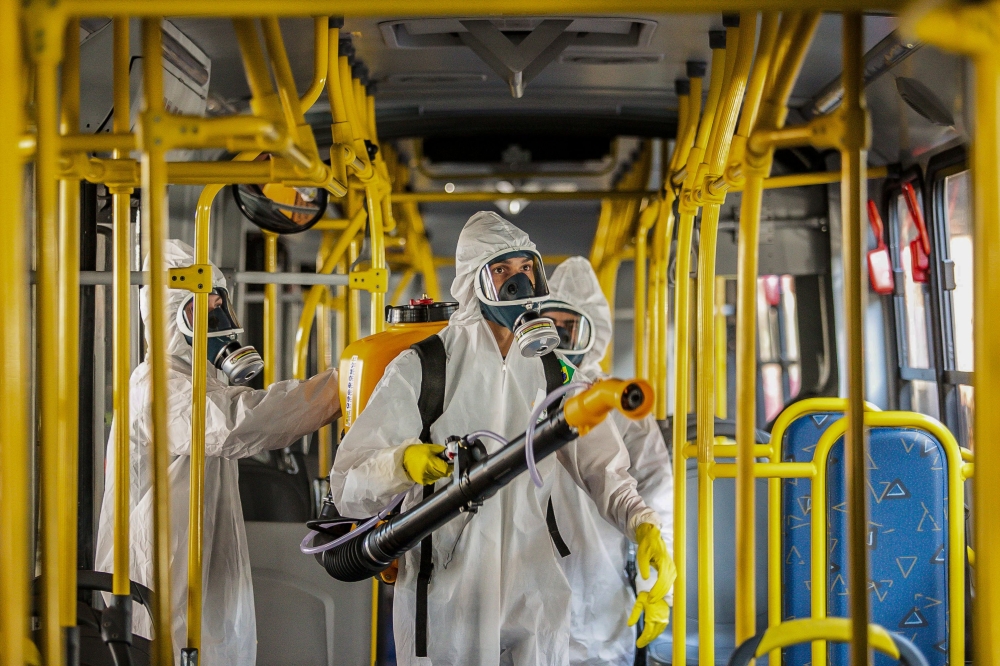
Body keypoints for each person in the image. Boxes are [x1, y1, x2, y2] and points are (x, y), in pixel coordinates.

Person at [330, 211, 674, 665]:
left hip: (535, 585)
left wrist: (643, 523)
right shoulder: (426, 366)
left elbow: (603, 469)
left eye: (526, 269)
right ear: (474, 281)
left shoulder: (555, 371)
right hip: (448, 587)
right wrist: (402, 463)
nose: (519, 284)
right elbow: (348, 483)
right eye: (501, 271)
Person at [95, 239, 340, 665]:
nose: (218, 315)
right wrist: (339, 388)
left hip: (193, 565)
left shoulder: (201, 383)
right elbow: (240, 423)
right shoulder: (156, 385)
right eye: (201, 306)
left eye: (219, 300)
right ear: (171, 317)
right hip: (154, 573)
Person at [543, 256, 675, 665]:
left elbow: (658, 498)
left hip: (598, 581)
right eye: (553, 326)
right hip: (527, 583)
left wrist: (659, 589)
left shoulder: (619, 404)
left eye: (572, 328)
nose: (562, 339)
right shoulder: (518, 397)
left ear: (593, 333)